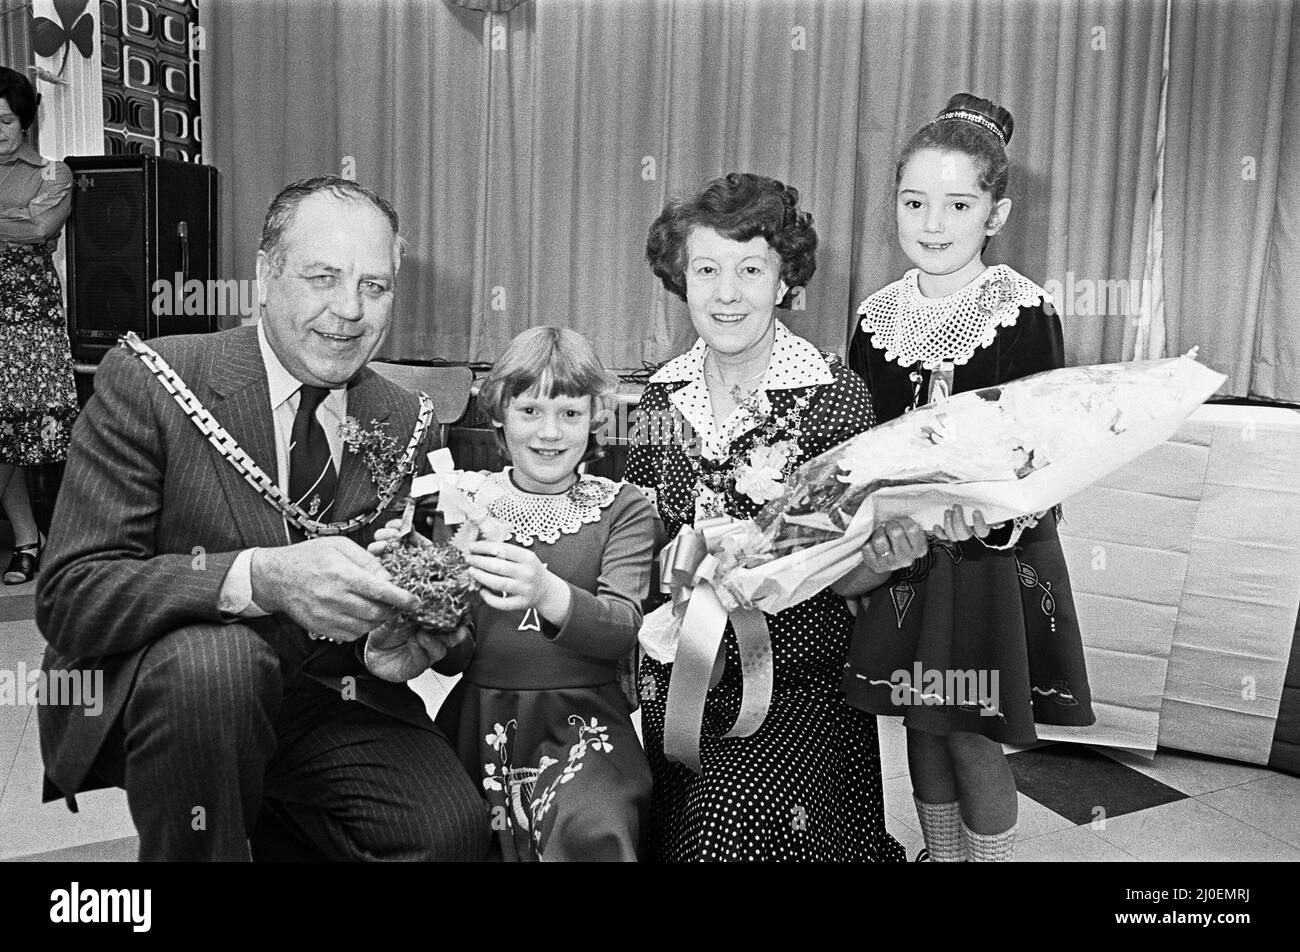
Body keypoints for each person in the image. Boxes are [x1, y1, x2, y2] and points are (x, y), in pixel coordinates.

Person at [35, 175, 489, 861]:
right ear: (264, 276)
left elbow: (439, 620)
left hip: (320, 694)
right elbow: (72, 596)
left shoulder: (408, 420)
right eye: (322, 277)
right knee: (221, 666)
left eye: (374, 286)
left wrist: (406, 635)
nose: (348, 310)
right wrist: (260, 578)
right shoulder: (154, 379)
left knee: (448, 832)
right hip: (178, 693)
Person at [625, 171, 916, 861]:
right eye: (707, 270)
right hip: (680, 680)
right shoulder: (660, 401)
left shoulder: (836, 398)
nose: (727, 293)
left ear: (785, 281)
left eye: (751, 269)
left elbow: (847, 575)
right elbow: (637, 545)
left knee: (731, 828)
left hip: (795, 684)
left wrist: (880, 561)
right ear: (681, 278)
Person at [844, 94, 1096, 862]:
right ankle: (941, 855)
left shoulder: (1022, 311)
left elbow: (1048, 447)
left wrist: (991, 514)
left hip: (984, 565)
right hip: (901, 560)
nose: (932, 223)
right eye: (915, 201)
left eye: (958, 204)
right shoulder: (874, 316)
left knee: (971, 734)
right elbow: (862, 444)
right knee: (919, 723)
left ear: (996, 212)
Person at [367, 326, 655, 861]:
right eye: (529, 411)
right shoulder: (459, 500)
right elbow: (452, 661)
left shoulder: (625, 507)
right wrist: (414, 591)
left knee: (594, 825)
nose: (549, 432)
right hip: (477, 720)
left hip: (586, 726)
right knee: (445, 829)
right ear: (498, 412)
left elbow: (622, 629)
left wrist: (545, 590)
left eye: (570, 413)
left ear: (596, 417)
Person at [0, 66, 78, 585]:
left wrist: (21, 220)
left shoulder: (55, 173)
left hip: (27, 319)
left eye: (4, 121)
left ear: (25, 121)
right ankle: (27, 538)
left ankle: (36, 542)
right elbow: (20, 221)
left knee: (21, 431)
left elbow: (39, 226)